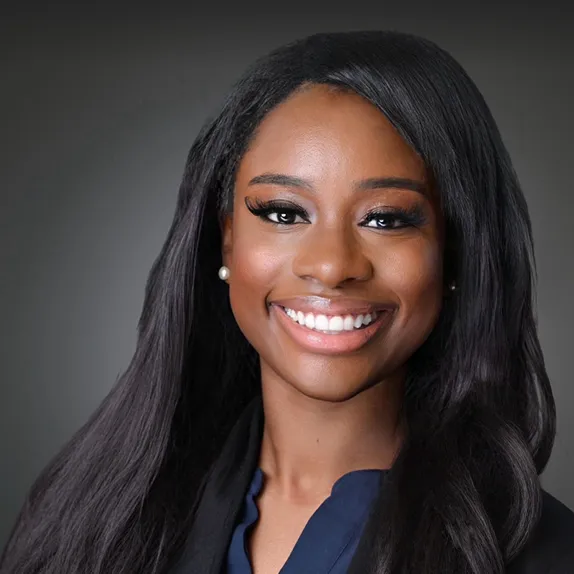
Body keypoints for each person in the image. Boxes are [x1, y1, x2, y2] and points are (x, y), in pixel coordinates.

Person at [2, 30, 574, 574]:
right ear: (226, 236)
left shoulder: (547, 555)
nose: (330, 264)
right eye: (283, 213)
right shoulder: (86, 520)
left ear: (453, 254)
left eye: (385, 219)